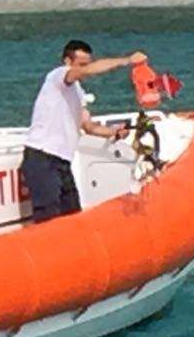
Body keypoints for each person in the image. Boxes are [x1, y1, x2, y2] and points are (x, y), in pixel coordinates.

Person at [21, 39, 148, 222]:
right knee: (48, 216)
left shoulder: (77, 91)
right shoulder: (59, 75)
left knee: (73, 214)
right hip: (42, 157)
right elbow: (87, 71)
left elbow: (89, 126)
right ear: (67, 61)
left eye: (87, 63)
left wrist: (114, 132)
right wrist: (126, 60)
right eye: (81, 64)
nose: (84, 69)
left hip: (62, 161)